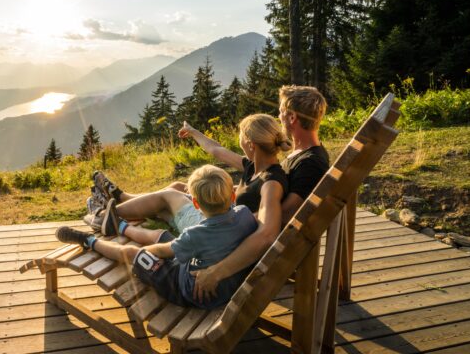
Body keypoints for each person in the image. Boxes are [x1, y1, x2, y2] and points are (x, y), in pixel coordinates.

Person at [89, 85, 329, 302]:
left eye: (280, 111)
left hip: (226, 231)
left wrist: (220, 265)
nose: (278, 116)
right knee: (177, 188)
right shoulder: (288, 159)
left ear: (292, 117)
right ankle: (119, 199)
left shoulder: (305, 166)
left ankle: (108, 214)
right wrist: (194, 133)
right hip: (228, 222)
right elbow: (222, 154)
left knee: (170, 197)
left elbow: (274, 221)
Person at [56, 165, 258, 309]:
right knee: (162, 235)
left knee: (135, 253)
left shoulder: (195, 235)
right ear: (232, 196)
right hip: (215, 274)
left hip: (187, 289)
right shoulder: (245, 214)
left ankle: (89, 241)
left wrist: (145, 253)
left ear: (195, 204)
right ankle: (122, 226)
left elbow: (163, 250)